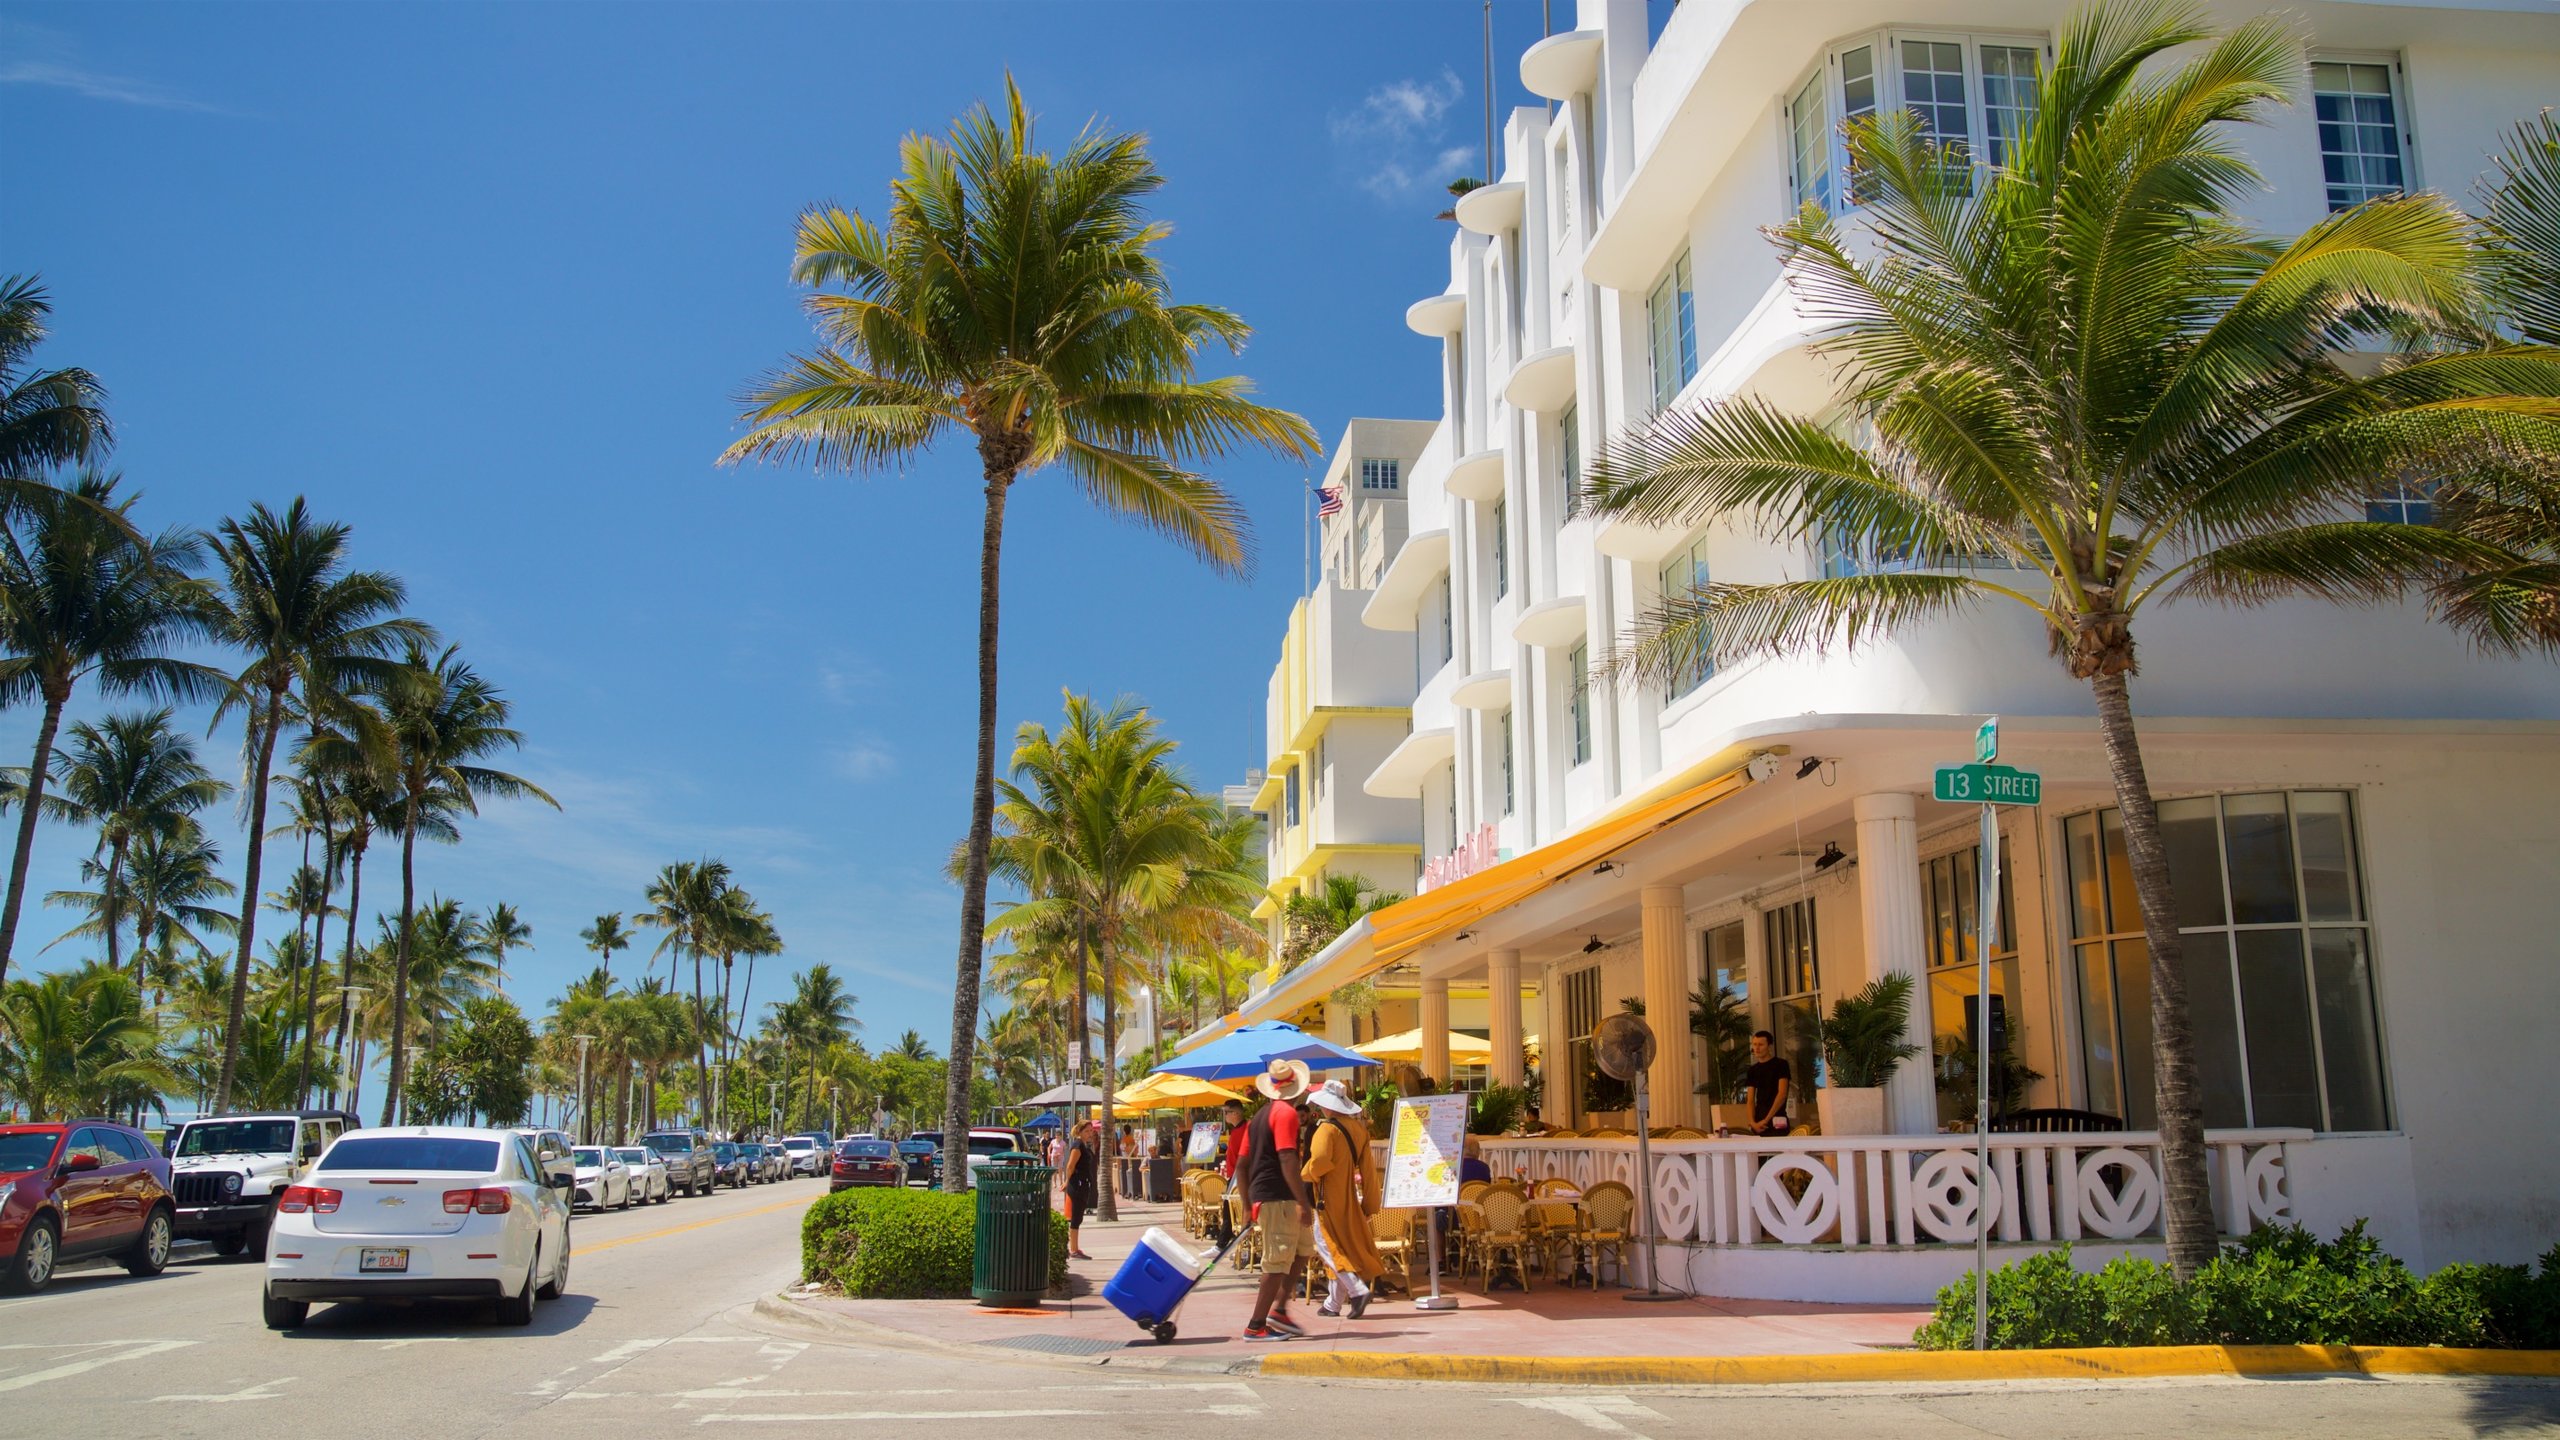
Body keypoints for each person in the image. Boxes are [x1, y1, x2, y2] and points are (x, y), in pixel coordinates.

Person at [1240, 1059, 1316, 1342]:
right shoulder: (1285, 1114)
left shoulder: (1259, 1116)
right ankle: (1256, 1324)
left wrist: (1247, 1204)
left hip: (1272, 1196)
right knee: (1277, 1261)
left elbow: (1241, 1164)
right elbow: (1287, 1157)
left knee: (1302, 1249)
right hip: (1278, 1197)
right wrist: (1302, 1201)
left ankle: (1280, 1310)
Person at [1302, 1080, 1382, 1319]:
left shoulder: (1326, 1129)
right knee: (1340, 1245)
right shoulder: (1359, 1130)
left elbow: (1320, 1162)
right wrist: (1369, 1202)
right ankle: (1332, 1303)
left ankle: (1357, 1291)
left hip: (1327, 1196)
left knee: (1328, 1245)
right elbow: (1368, 1170)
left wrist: (1304, 1174)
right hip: (1349, 1195)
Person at [1060, 1114, 1099, 1260]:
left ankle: (1075, 1248)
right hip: (1077, 1185)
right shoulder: (1077, 1145)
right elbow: (1070, 1166)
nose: (1090, 1133)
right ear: (1080, 1131)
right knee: (1075, 1218)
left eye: (1091, 1131)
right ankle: (1074, 1250)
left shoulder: (1083, 1145)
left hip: (1083, 1184)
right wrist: (1066, 1181)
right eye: (1087, 1131)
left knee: (1078, 1218)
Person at [1746, 1029, 1793, 1136]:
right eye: (1754, 1044)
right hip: (1758, 1121)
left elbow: (1782, 1094)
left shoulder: (1781, 1064)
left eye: (1761, 1044)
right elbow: (1750, 1100)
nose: (1757, 1048)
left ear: (1769, 1046)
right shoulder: (1752, 1070)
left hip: (1777, 1119)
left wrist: (1766, 1120)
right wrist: (1752, 1123)